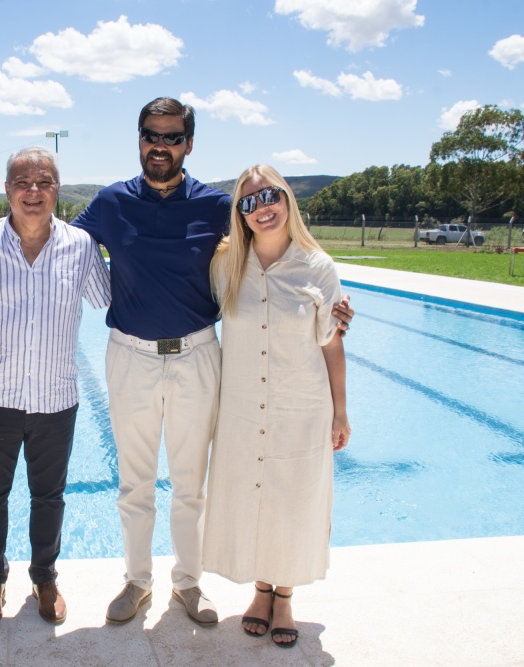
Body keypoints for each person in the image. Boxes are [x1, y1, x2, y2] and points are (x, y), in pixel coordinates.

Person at [71, 97, 354, 627]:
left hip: (197, 356)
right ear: (139, 139)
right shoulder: (110, 203)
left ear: (189, 144)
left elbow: (268, 259)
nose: (162, 145)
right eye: (152, 134)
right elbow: (61, 244)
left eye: (173, 136)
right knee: (134, 483)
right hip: (129, 356)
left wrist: (329, 309)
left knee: (189, 484)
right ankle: (136, 581)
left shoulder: (213, 206)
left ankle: (188, 583)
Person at [203, 165, 350, 648]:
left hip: (301, 407)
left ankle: (283, 595)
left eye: (270, 196)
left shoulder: (318, 266)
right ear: (240, 215)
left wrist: (341, 411)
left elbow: (331, 341)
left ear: (287, 199)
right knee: (254, 497)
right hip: (243, 406)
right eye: (249, 202)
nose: (262, 207)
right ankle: (260, 588)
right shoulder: (226, 264)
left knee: (292, 500)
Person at [0, 147, 110, 626]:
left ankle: (44, 576)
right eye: (22, 182)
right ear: (7, 190)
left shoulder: (81, 246)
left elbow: (114, 301)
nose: (33, 191)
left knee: (49, 495)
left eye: (44, 182)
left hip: (56, 398)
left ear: (57, 189)